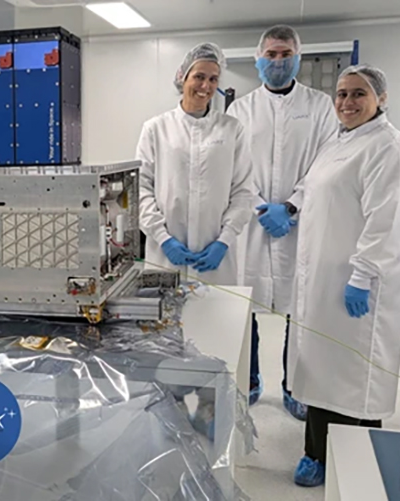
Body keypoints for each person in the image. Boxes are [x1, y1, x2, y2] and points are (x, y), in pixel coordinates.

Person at [288, 65, 400, 487]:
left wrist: (362, 275)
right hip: (322, 280)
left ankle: (351, 459)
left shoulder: (389, 147)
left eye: (358, 94)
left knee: (352, 375)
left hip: (355, 283)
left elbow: (388, 220)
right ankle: (318, 452)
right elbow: (313, 190)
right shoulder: (339, 141)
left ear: (381, 98)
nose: (347, 102)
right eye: (342, 94)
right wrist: (289, 207)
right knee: (323, 368)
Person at [136, 42, 255, 436]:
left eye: (213, 79)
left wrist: (225, 239)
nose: (205, 85)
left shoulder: (232, 130)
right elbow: (141, 189)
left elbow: (243, 192)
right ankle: (168, 412)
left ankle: (208, 412)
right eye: (199, 76)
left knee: (213, 340)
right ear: (182, 78)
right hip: (164, 257)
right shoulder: (156, 128)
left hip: (215, 259)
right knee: (166, 339)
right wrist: (163, 237)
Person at [226, 25, 339, 419]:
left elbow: (327, 164)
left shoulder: (321, 106)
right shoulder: (240, 110)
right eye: (271, 54)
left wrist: (291, 206)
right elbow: (235, 169)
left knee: (300, 308)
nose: (278, 61)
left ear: (298, 58)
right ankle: (250, 379)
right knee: (246, 305)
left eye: (286, 54)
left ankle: (295, 386)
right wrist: (261, 207)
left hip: (301, 222)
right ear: (258, 59)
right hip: (253, 222)